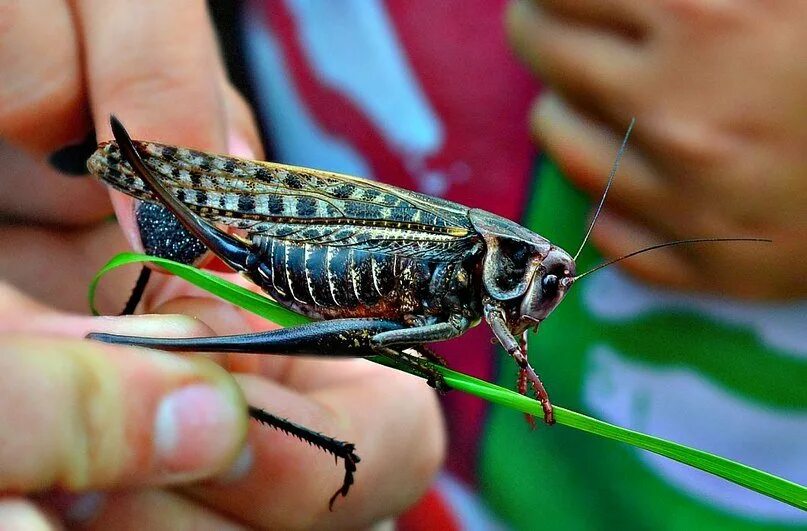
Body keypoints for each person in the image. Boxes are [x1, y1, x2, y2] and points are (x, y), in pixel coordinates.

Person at [1, 0, 805, 529]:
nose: (537, 300)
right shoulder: (470, 260)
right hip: (303, 253)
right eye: (539, 282)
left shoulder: (471, 303)